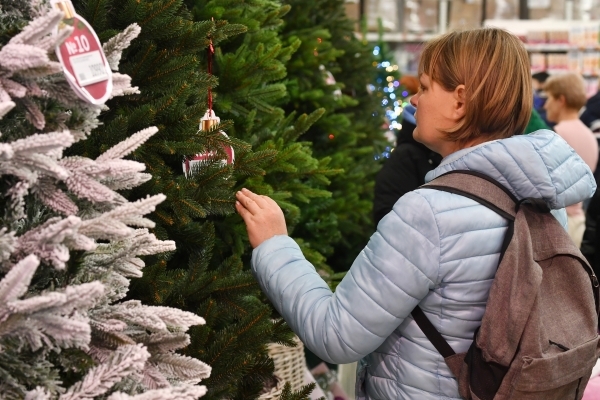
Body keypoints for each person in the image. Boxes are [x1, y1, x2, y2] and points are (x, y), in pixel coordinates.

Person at [236, 28, 595, 399]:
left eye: (424, 87)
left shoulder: (428, 214)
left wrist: (275, 244)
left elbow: (337, 334)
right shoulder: (543, 202)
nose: (414, 99)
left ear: (460, 101)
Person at [543, 72, 599, 248]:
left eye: (549, 98)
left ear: (561, 100)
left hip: (556, 223)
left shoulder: (554, 136)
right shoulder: (590, 135)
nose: (545, 105)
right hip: (578, 221)